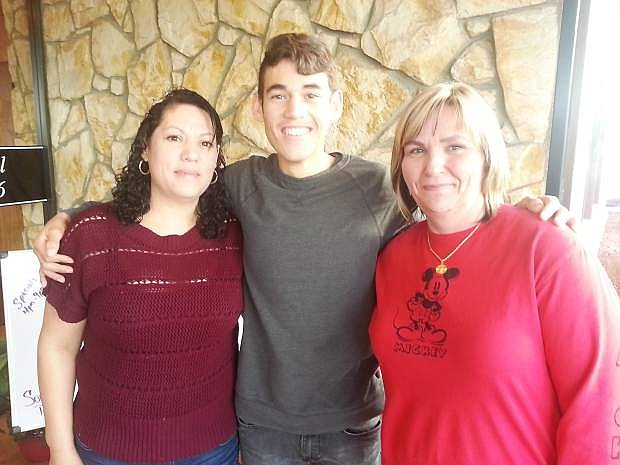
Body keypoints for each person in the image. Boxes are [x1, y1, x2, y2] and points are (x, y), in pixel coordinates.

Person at [35, 34, 575, 465]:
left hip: (352, 422)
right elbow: (169, 188)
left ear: (336, 104)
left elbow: (451, 221)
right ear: (259, 108)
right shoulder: (240, 184)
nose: (295, 110)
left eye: (311, 93)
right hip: (261, 423)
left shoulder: (379, 189)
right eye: (279, 94)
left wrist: (519, 208)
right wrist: (69, 217)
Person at [369, 82, 620, 465]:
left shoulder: (547, 248)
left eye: (455, 147)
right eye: (417, 150)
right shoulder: (392, 258)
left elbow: (601, 396)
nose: (433, 166)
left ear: (487, 156)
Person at [37, 88, 243, 465]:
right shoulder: (91, 236)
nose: (190, 153)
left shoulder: (235, 236)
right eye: (174, 137)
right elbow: (57, 347)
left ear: (216, 159)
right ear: (145, 149)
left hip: (212, 450)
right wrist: (60, 448)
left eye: (205, 142)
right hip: (107, 451)